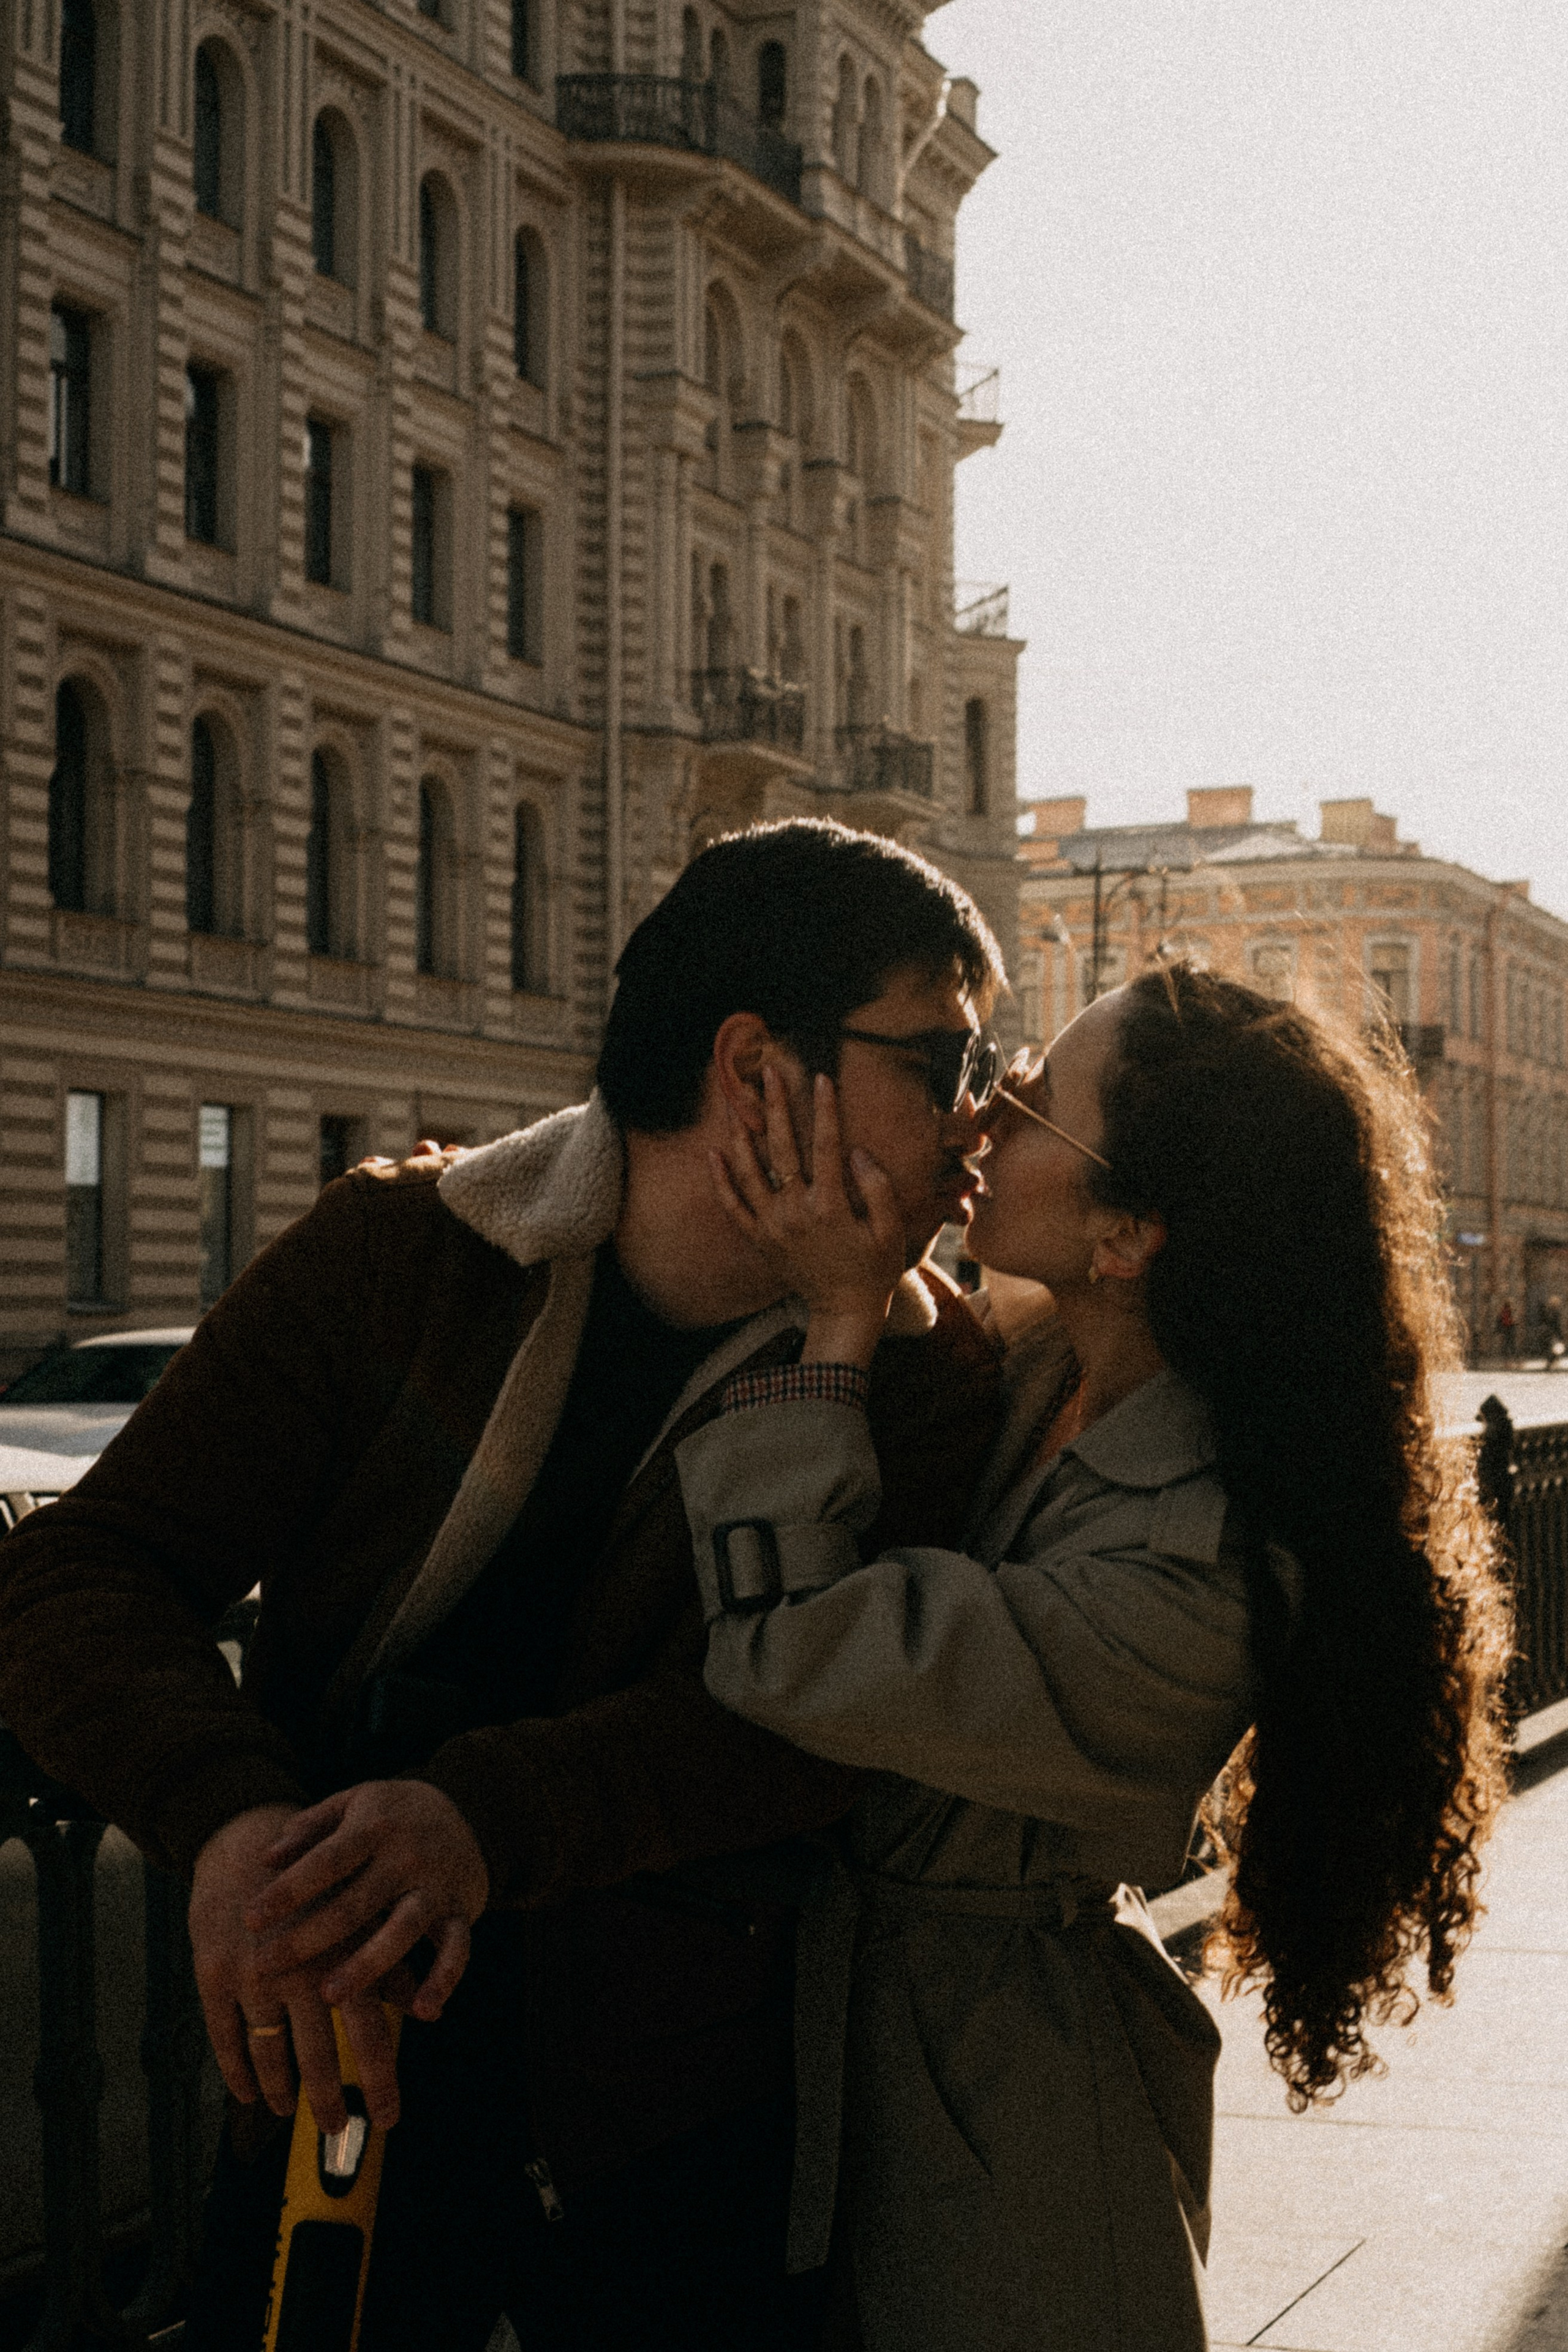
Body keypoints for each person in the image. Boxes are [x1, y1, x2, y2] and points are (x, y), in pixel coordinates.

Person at [0, 820, 1008, 2352]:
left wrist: (479, 1819)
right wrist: (224, 1827)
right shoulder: (407, 1252)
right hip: (345, 2082)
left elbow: (821, 1722)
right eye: (938, 1065)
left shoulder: (927, 1372)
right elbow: (82, 1565)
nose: (979, 1118)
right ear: (755, 1071)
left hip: (686, 2131)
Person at [674, 963, 1510, 2352]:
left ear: (1123, 1234)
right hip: (864, 2061)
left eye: (1033, 1101)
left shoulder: (1204, 1571)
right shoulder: (1038, 1364)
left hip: (1014, 2134)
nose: (981, 1115)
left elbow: (789, 1650)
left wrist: (835, 1323)